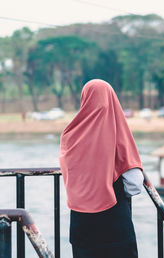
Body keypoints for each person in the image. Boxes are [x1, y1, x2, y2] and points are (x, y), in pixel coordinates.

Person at [59, 79, 144, 258]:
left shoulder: (70, 135)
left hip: (81, 225)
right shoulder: (117, 132)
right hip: (113, 224)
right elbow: (134, 184)